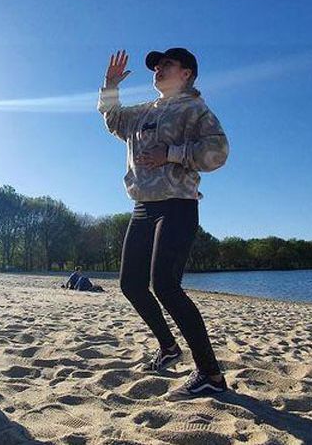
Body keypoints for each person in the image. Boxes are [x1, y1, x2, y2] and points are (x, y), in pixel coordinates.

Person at [97, 48, 230, 395]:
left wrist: (170, 154)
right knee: (130, 285)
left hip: (177, 205)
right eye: (156, 65)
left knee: (166, 286)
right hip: (143, 206)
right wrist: (110, 84)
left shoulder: (195, 109)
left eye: (166, 64)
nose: (157, 68)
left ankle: (211, 375)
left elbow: (218, 152)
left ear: (186, 73)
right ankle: (169, 347)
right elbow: (113, 120)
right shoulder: (143, 111)